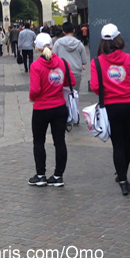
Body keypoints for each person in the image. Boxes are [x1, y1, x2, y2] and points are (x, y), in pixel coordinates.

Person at [90, 24, 130, 196]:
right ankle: (123, 172)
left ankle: (122, 180)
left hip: (111, 107)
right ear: (118, 39)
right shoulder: (128, 58)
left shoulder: (96, 62)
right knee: (126, 141)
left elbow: (96, 88)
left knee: (117, 144)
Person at [28, 33, 76, 187]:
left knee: (39, 141)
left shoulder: (36, 66)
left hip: (41, 108)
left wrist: (31, 97)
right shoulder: (62, 63)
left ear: (38, 47)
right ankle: (57, 176)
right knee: (59, 141)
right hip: (59, 107)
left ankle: (40, 175)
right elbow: (71, 81)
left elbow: (35, 89)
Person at [52, 21, 87, 105]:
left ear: (63, 32)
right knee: (74, 95)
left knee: (62, 95)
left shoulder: (58, 43)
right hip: (76, 73)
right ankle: (74, 113)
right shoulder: (79, 44)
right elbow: (84, 61)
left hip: (62, 72)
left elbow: (53, 58)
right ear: (74, 30)